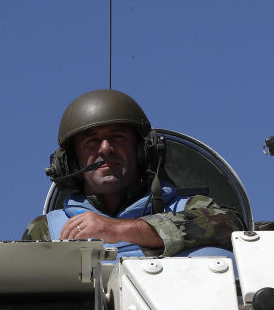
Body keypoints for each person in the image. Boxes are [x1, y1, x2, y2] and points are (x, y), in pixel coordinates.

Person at [22, 89, 244, 257]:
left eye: (118, 137)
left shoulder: (184, 207)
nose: (106, 148)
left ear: (141, 151)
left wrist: (118, 229)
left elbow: (232, 227)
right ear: (71, 162)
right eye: (92, 141)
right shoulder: (47, 230)